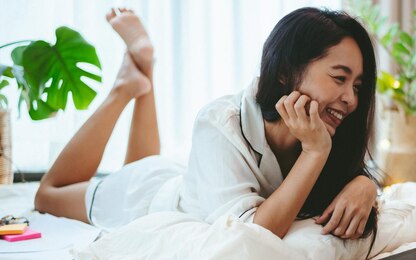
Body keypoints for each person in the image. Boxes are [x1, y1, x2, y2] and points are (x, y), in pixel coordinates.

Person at [34, 7, 379, 241]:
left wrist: (364, 186)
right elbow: (255, 235)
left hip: (190, 179)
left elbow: (346, 180)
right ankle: (125, 88)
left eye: (358, 87)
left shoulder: (329, 135)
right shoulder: (221, 122)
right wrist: (315, 153)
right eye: (339, 78)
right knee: (48, 195)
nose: (351, 99)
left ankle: (142, 77)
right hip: (146, 198)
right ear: (287, 72)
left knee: (140, 162)